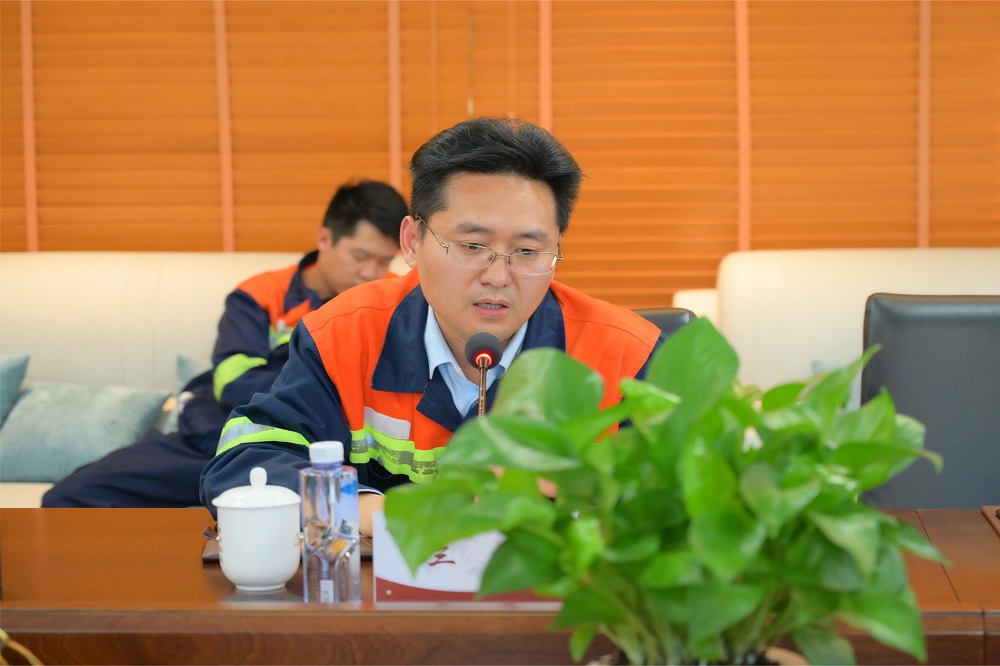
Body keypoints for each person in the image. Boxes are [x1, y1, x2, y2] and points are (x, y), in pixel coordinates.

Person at [200, 118, 667, 534]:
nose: (498, 276)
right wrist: (376, 513)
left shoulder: (627, 356)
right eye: (471, 246)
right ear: (411, 242)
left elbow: (679, 507)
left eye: (527, 251)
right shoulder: (342, 334)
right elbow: (248, 463)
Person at [42, 180, 408, 508]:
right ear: (325, 239)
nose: (371, 273)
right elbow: (233, 383)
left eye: (384, 261)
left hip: (333, 450)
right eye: (360, 257)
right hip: (219, 438)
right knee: (68, 496)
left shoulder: (394, 302)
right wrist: (322, 386)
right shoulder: (260, 294)